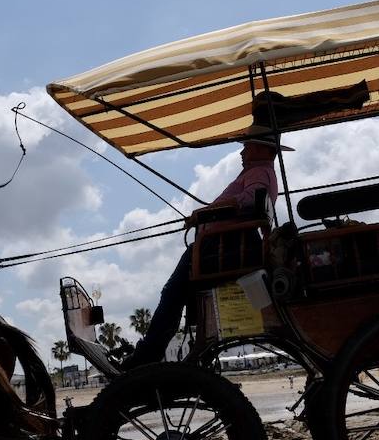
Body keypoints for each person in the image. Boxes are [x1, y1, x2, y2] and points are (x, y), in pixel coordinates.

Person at [123, 135, 287, 369]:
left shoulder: (259, 171)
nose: (242, 152)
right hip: (224, 245)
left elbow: (251, 199)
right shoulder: (261, 172)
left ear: (263, 148)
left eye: (247, 146)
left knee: (171, 293)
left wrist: (205, 212)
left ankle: (147, 355)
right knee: (175, 294)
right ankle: (176, 351)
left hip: (220, 248)